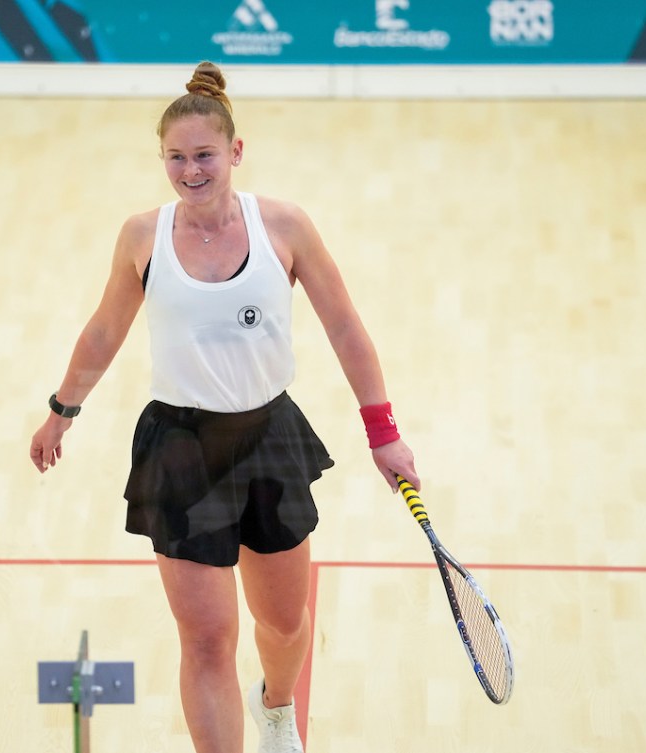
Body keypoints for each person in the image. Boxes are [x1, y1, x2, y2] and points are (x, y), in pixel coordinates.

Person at [29, 61, 419, 753]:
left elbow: (346, 328)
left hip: (268, 439)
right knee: (207, 638)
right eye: (175, 158)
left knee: (285, 624)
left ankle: (274, 705)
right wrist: (63, 408)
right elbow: (103, 330)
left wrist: (383, 434)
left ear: (235, 151)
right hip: (178, 449)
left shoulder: (284, 226)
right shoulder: (141, 237)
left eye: (203, 155)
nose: (190, 170)